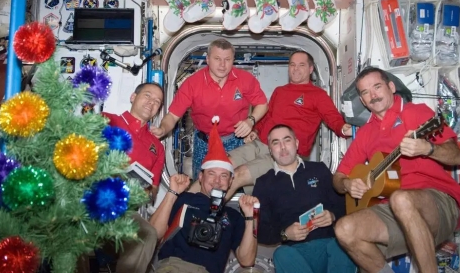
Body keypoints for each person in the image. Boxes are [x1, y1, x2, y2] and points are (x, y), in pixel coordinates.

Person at [332, 67, 460, 273]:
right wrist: (347, 184)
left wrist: (428, 148)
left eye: (377, 87)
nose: (373, 95)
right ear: (363, 101)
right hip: (392, 211)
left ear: (391, 87)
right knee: (344, 229)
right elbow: (338, 177)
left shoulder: (416, 112)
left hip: (437, 202)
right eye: (366, 93)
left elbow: (456, 156)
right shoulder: (366, 133)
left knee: (401, 199)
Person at [218, 50, 352, 199]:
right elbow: (268, 116)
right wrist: (255, 130)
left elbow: (332, 117)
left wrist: (343, 128)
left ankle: (210, 215)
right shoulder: (279, 91)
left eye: (301, 65)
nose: (296, 68)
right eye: (292, 64)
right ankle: (193, 208)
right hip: (260, 144)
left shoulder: (318, 95)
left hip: (284, 154)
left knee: (238, 175)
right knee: (219, 167)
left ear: (310, 69)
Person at [150, 116, 259, 273]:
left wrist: (252, 217)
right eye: (211, 174)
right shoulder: (185, 200)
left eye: (224, 176)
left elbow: (247, 260)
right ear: (200, 177)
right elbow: (153, 234)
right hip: (174, 267)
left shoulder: (234, 216)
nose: (217, 181)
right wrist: (172, 192)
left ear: (230, 181)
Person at [150, 38, 268, 179]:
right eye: (217, 59)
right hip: (204, 142)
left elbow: (262, 104)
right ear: (207, 59)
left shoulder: (245, 79)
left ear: (233, 60)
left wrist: (250, 120)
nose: (222, 65)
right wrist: (162, 129)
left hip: (236, 141)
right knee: (202, 186)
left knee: (235, 182)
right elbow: (173, 116)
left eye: (227, 59)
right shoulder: (192, 84)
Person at [252, 124, 356, 273]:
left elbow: (344, 206)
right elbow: (259, 230)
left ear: (296, 143)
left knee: (343, 244)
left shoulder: (319, 169)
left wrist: (332, 215)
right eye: (275, 142)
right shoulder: (263, 183)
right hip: (294, 252)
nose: (282, 147)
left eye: (287, 140)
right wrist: (285, 234)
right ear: (270, 150)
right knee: (281, 254)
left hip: (329, 244)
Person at [100, 82, 165, 273]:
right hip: (92, 199)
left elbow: (152, 192)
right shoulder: (106, 121)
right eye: (147, 96)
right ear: (133, 97)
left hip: (126, 210)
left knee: (148, 234)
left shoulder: (157, 147)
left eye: (157, 101)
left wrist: (138, 189)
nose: (151, 102)